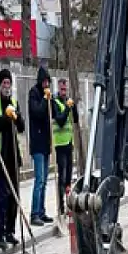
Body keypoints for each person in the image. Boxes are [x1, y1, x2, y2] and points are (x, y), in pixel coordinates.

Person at [0, 69, 24, 246]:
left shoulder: (14, 102)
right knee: (2, 197)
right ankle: (1, 233)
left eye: (8, 83)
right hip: (0, 157)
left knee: (14, 197)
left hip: (13, 157)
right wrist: (6, 116)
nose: (6, 86)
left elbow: (22, 127)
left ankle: (11, 231)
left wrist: (16, 117)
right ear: (0, 84)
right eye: (4, 83)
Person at [26, 66, 54, 227]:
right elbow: (36, 112)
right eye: (44, 81)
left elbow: (52, 114)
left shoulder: (47, 95)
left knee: (44, 181)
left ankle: (42, 211)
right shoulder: (34, 94)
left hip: (45, 143)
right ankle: (34, 213)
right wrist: (44, 99)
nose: (46, 84)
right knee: (39, 180)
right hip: (37, 143)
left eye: (47, 82)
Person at [51, 78, 78, 218]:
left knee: (68, 176)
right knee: (61, 176)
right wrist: (67, 108)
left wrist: (74, 107)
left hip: (68, 143)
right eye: (62, 89)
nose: (63, 92)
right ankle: (60, 206)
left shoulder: (67, 101)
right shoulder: (54, 102)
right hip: (59, 144)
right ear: (58, 89)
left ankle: (68, 204)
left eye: (65, 89)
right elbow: (60, 121)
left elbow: (76, 119)